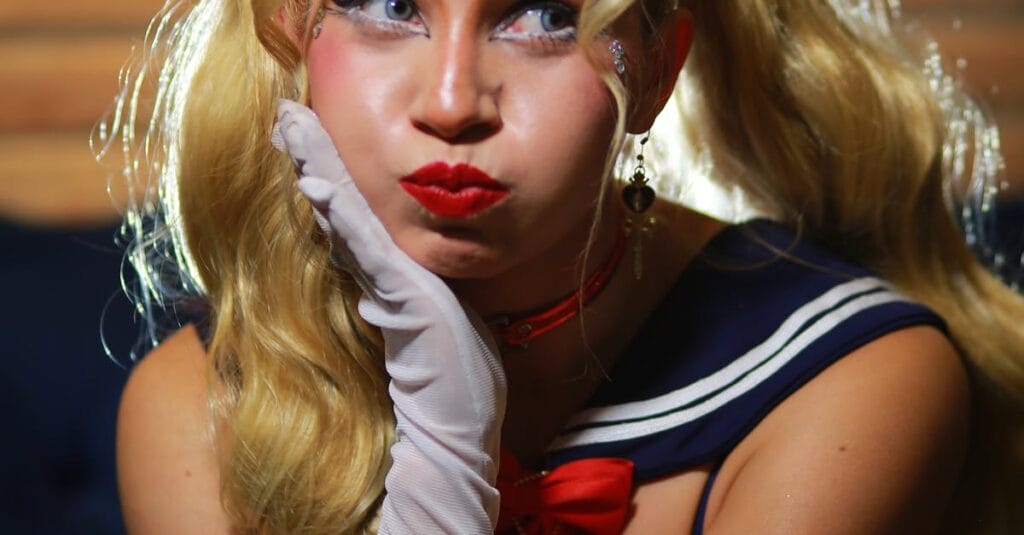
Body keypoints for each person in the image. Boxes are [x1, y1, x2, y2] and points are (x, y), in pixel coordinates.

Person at [109, 0, 1024, 533]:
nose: (453, 101)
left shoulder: (846, 381)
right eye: (391, 5)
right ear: (287, 29)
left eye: (546, 17)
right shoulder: (194, 405)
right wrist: (440, 448)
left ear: (656, 71)